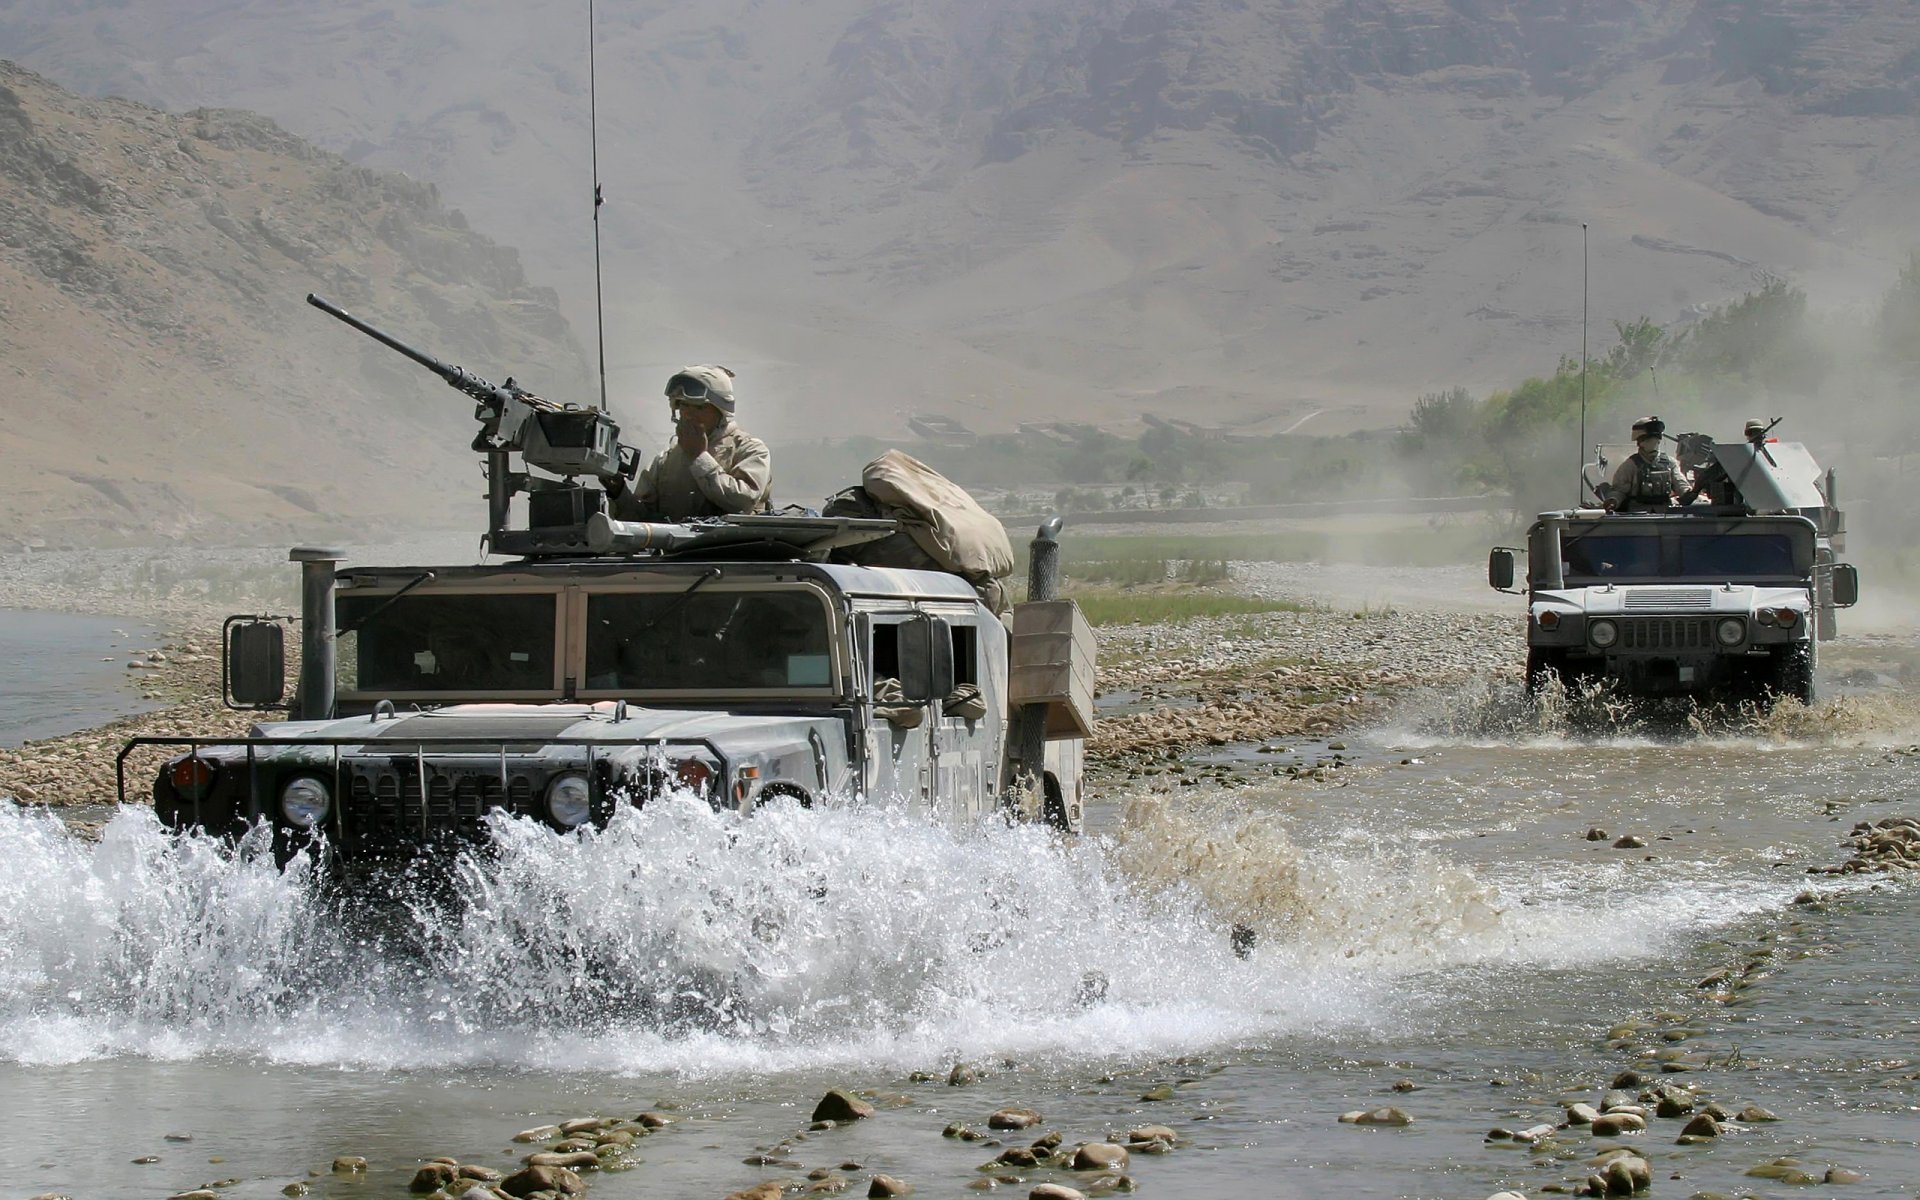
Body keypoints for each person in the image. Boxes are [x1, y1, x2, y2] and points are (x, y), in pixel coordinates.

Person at [606, 365, 773, 521]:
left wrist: (699, 458)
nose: (688, 414)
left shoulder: (749, 449)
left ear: (720, 410)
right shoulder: (666, 458)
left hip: (731, 550)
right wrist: (619, 491)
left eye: (698, 407)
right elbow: (642, 519)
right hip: (677, 551)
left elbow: (743, 502)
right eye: (683, 406)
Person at [1606, 416, 1682, 512]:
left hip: (1665, 514)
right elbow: (1619, 490)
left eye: (1643, 439)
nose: (1639, 444)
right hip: (1637, 515)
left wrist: (1692, 493)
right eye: (1639, 440)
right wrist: (1613, 501)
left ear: (1657, 438)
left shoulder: (1670, 463)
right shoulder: (1631, 464)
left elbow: (1681, 485)